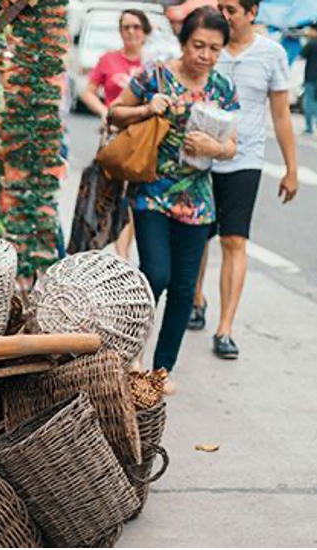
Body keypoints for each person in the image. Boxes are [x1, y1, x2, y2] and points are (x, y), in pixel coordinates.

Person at [110, 7, 239, 393]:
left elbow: (233, 146)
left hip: (197, 201)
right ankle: (132, 354)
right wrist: (148, 108)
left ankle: (161, 370)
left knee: (184, 290)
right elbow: (115, 112)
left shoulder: (222, 88)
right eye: (198, 45)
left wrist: (214, 147)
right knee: (156, 275)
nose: (205, 55)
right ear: (184, 42)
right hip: (152, 193)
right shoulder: (155, 75)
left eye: (215, 49)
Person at [188, 0, 299, 361]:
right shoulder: (210, 49)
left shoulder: (271, 54)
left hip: (244, 159)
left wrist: (291, 168)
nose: (224, 15)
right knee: (198, 234)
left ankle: (225, 328)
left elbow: (281, 115)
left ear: (252, 13)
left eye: (232, 9)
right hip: (200, 158)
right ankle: (196, 299)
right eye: (220, 7)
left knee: (234, 240)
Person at [80, 9, 154, 261]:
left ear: (145, 32)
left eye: (136, 27)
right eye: (125, 27)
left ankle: (123, 253)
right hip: (113, 135)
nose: (131, 32)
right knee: (108, 191)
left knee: (133, 194)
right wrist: (105, 111)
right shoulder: (108, 60)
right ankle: (103, 243)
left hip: (141, 138)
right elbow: (87, 91)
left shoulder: (153, 66)